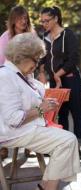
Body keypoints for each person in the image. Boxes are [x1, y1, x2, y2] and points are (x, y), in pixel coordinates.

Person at [0, 33, 80, 190]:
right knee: (67, 141)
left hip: (27, 128)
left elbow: (36, 96)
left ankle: (46, 186)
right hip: (12, 132)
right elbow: (13, 119)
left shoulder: (21, 75)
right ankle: (47, 187)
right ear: (22, 57)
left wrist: (49, 99)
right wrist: (40, 109)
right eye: (36, 60)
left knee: (68, 141)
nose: (37, 64)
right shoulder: (5, 76)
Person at [38, 6, 81, 159]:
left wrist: (58, 74)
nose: (44, 24)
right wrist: (42, 72)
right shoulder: (44, 37)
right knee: (60, 113)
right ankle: (64, 146)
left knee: (76, 113)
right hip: (55, 82)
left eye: (47, 21)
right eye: (42, 21)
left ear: (56, 19)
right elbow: (42, 58)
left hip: (71, 79)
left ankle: (77, 147)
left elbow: (74, 59)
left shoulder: (68, 35)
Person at [0, 5, 34, 159]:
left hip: (27, 79)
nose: (24, 21)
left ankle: (31, 145)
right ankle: (4, 146)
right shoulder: (5, 37)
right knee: (8, 111)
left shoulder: (31, 36)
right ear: (13, 19)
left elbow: (37, 56)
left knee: (30, 109)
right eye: (20, 18)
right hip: (9, 80)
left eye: (26, 18)